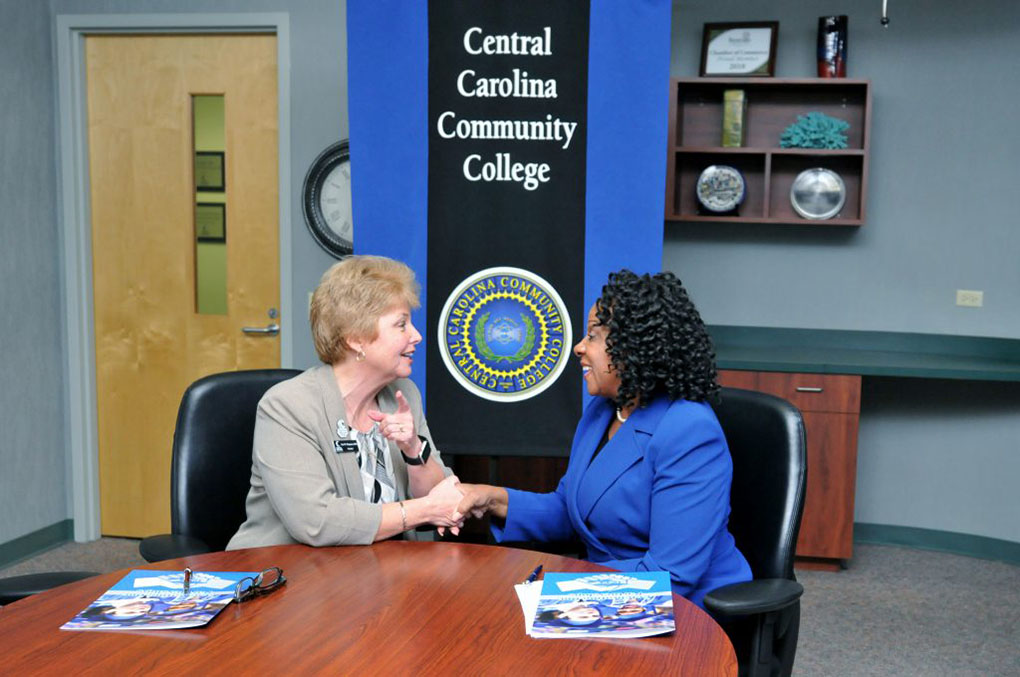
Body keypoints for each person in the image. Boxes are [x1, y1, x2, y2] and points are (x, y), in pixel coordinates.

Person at [457, 270, 751, 608]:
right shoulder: (603, 409)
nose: (579, 348)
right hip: (611, 588)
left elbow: (672, 576)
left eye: (594, 336)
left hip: (679, 608)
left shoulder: (689, 431)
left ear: (635, 347)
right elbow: (572, 511)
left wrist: (557, 593)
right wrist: (491, 499)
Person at [227, 256, 463, 549]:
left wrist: (414, 451)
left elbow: (443, 497)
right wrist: (423, 510)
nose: (416, 336)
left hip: (382, 577)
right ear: (356, 339)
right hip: (289, 578)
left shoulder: (403, 394)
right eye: (401, 325)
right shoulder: (287, 407)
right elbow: (318, 522)